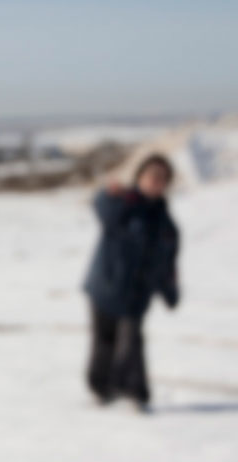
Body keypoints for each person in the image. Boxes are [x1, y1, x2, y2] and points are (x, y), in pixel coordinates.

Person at [82, 154, 180, 410]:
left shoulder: (165, 223)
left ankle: (135, 392)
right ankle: (101, 389)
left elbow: (167, 261)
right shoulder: (123, 203)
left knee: (132, 344)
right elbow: (103, 211)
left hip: (137, 294)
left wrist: (170, 291)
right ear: (140, 177)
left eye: (162, 178)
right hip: (105, 286)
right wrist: (107, 193)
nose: (155, 182)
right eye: (151, 175)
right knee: (103, 341)